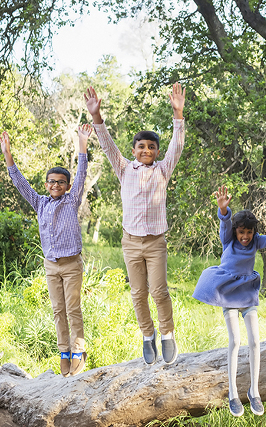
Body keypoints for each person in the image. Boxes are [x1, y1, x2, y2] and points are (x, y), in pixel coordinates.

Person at [84, 83, 186, 365]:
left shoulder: (163, 170)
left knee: (159, 290)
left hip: (155, 243)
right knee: (138, 293)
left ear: (156, 151)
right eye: (141, 146)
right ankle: (147, 335)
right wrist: (97, 117)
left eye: (151, 147)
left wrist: (178, 113)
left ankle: (167, 334)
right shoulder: (124, 168)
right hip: (130, 242)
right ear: (134, 150)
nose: (146, 150)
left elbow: (177, 146)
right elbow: (107, 145)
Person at [192, 185, 266, 417]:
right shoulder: (228, 240)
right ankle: (233, 393)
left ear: (253, 233)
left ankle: (254, 391)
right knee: (235, 341)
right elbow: (225, 223)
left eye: (249, 233)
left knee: (255, 342)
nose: (245, 237)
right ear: (236, 232)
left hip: (248, 295)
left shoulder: (255, 242)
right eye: (241, 232)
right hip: (228, 295)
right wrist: (223, 209)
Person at [0, 125, 92, 377]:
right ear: (46, 183)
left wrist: (82, 143)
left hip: (71, 264)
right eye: (51, 181)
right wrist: (8, 155)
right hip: (51, 265)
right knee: (57, 310)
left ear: (67, 185)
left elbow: (82, 174)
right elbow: (20, 183)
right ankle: (64, 351)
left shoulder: (72, 200)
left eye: (61, 182)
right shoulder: (40, 203)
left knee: (73, 308)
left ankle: (78, 350)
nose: (55, 185)